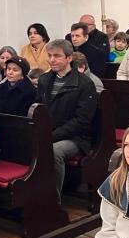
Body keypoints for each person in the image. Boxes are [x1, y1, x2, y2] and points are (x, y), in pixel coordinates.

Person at [36, 39, 98, 199]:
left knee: (54, 151)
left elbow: (82, 121)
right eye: (50, 55)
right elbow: (39, 108)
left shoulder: (84, 84)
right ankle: (35, 195)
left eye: (57, 56)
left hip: (77, 138)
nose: (52, 60)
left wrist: (51, 136)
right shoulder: (44, 80)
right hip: (50, 132)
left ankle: (53, 199)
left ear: (69, 58)